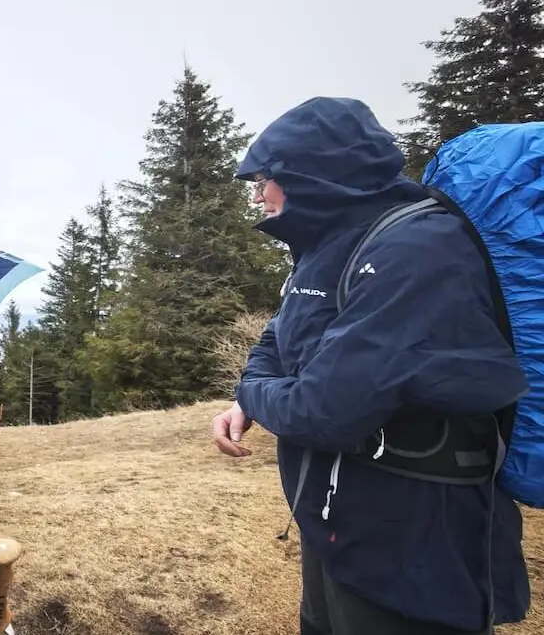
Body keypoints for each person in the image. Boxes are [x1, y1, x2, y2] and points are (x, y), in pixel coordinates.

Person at [210, 97, 532, 635]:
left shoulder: (418, 248)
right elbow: (280, 334)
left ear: (313, 174)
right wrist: (254, 391)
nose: (258, 192)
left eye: (265, 177)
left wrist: (252, 392)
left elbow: (323, 410)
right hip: (337, 524)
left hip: (414, 542)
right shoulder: (329, 246)